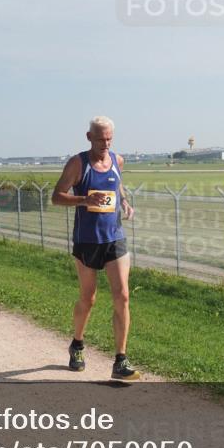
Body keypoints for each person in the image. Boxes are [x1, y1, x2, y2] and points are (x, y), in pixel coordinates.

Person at [51, 116, 139, 381]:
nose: (106, 143)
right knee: (88, 298)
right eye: (101, 138)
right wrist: (84, 199)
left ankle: (120, 360)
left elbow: (117, 184)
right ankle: (77, 344)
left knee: (122, 295)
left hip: (115, 238)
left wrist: (124, 202)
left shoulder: (117, 160)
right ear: (89, 137)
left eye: (110, 138)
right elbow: (56, 197)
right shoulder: (78, 163)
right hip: (87, 239)